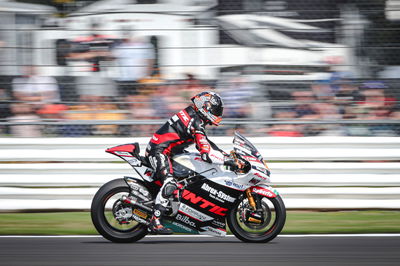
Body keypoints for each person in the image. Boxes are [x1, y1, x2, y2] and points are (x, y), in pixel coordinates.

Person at [145, 91, 243, 234]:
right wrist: (228, 161)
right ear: (206, 107)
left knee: (191, 172)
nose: (217, 113)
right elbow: (207, 154)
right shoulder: (195, 121)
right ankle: (155, 221)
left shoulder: (194, 117)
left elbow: (206, 144)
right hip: (159, 151)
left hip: (171, 152)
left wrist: (225, 154)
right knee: (170, 182)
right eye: (216, 110)